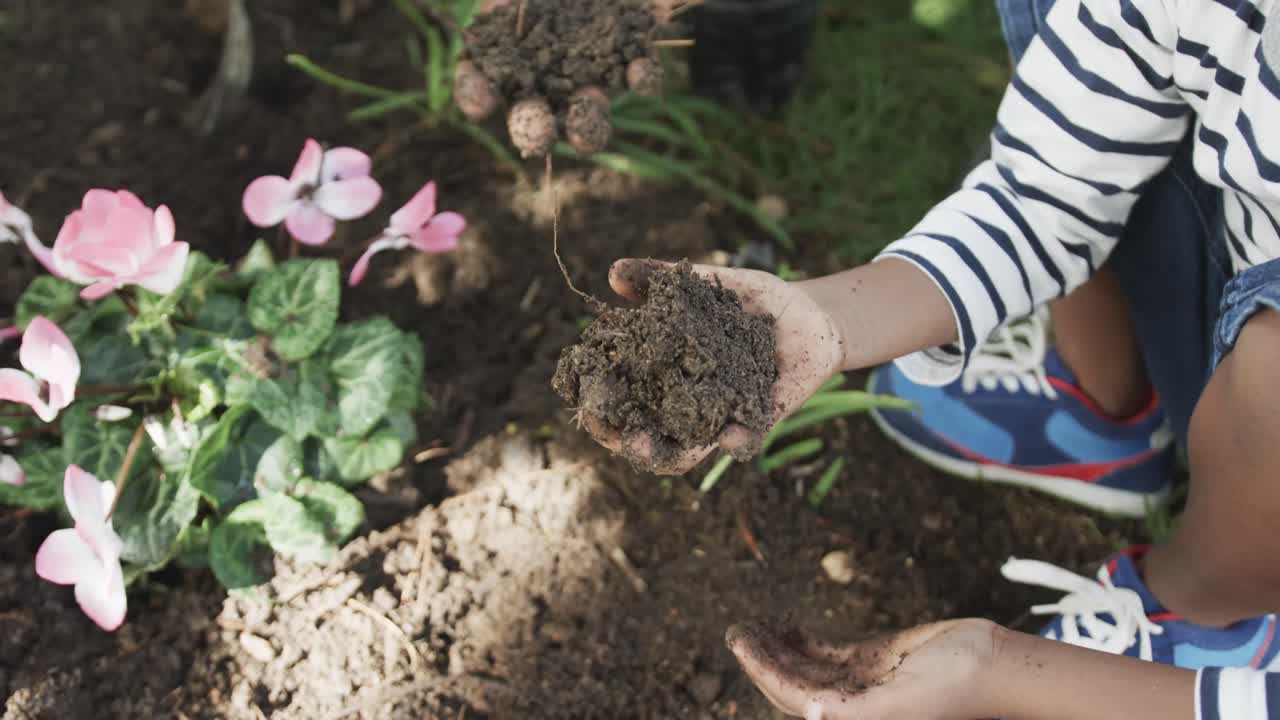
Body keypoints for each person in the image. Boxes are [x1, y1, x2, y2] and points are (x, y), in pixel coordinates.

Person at [590, 0, 1280, 715]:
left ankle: (1208, 609)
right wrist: (830, 317)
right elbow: (1045, 191)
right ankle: (1108, 417)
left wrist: (999, 676)